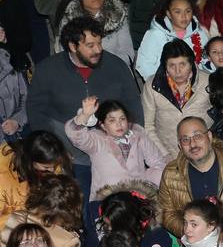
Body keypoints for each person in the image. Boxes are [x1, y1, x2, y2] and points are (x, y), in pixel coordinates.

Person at [27, 17, 144, 179]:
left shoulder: (116, 66)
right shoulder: (48, 70)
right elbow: (36, 109)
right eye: (90, 46)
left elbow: (133, 104)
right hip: (68, 155)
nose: (98, 50)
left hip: (112, 152)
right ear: (73, 46)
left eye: (99, 43)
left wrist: (132, 141)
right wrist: (52, 149)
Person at [156, 118, 223, 237]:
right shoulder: (170, 174)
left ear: (209, 136)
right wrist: (192, 231)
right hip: (194, 244)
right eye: (185, 139)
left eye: (197, 136)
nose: (192, 144)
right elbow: (166, 212)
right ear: (180, 145)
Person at [50, 0, 137, 67]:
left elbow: (128, 52)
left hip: (115, 68)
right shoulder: (69, 20)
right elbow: (66, 56)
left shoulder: (117, 14)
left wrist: (105, 66)